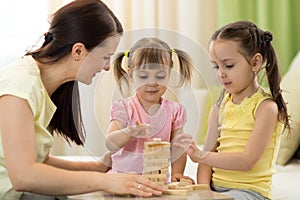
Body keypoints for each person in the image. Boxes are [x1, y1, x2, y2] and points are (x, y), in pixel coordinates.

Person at [0, 1, 165, 199]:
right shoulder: (20, 86)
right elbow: (24, 176)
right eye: (105, 57)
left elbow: (40, 162)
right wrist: (107, 181)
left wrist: (98, 167)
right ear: (78, 51)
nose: (106, 67)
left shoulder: (46, 86)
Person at [174, 20, 291, 200]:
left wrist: (201, 156)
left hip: (250, 193)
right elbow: (206, 161)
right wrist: (204, 190)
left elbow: (247, 161)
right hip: (215, 189)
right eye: (216, 66)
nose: (221, 73)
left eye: (228, 65)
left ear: (255, 63)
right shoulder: (219, 108)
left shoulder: (266, 108)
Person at [105, 37, 195, 184]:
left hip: (156, 182)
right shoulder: (124, 108)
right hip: (121, 181)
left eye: (160, 76)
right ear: (131, 75)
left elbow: (178, 148)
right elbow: (110, 143)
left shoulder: (175, 110)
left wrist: (177, 173)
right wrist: (129, 132)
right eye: (143, 76)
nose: (152, 82)